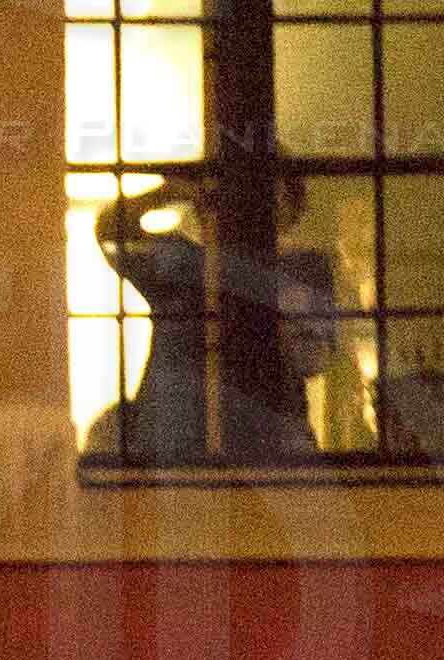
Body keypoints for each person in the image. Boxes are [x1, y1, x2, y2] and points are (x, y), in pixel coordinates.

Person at [93, 156, 334, 467]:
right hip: (178, 444)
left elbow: (314, 359)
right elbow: (112, 230)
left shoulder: (304, 267)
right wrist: (174, 192)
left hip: (265, 445)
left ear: (289, 208)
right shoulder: (182, 262)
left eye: (267, 198)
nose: (251, 212)